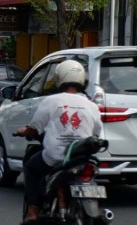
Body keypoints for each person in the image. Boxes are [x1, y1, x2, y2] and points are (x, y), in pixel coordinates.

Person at [17, 59, 103, 223]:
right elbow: (97, 132)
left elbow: (35, 128)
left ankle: (33, 211)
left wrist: (24, 131)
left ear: (60, 78)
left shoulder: (51, 100)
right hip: (81, 157)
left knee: (31, 169)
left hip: (56, 156)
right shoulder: (91, 104)